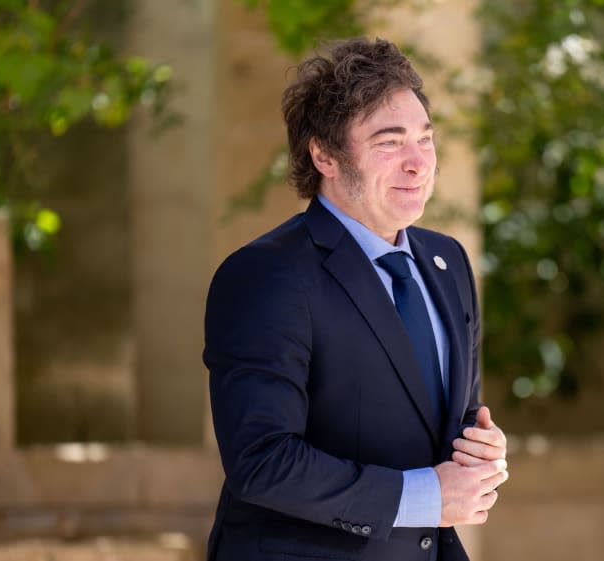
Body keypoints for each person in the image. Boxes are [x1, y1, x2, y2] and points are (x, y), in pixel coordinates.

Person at [203, 37, 508, 561]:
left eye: (425, 139)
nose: (418, 163)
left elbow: (449, 420)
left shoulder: (447, 261)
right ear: (324, 154)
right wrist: (425, 496)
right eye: (390, 143)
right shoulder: (266, 276)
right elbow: (262, 461)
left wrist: (482, 451)